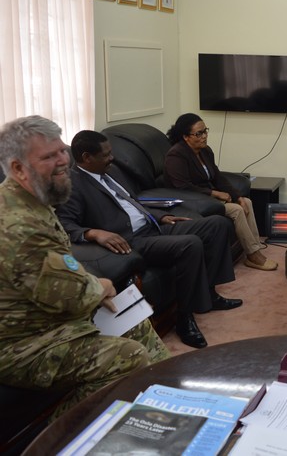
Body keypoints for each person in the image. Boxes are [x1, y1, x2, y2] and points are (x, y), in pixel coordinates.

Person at [0, 116, 169, 417]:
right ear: (18, 168)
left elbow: (61, 268)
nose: (63, 161)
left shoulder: (33, 200)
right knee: (127, 356)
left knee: (131, 317)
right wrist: (101, 286)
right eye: (49, 156)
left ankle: (167, 397)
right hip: (24, 345)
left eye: (61, 150)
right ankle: (58, 435)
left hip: (49, 320)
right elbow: (72, 297)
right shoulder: (20, 225)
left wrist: (93, 289)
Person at [56, 131, 243, 349]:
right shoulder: (72, 184)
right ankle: (184, 319)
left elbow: (133, 202)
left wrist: (160, 216)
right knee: (190, 244)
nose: (111, 158)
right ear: (87, 157)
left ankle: (210, 294)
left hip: (152, 226)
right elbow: (65, 224)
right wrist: (93, 233)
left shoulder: (111, 172)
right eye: (105, 155)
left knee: (217, 224)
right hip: (131, 239)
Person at [163, 113, 278, 272]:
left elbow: (218, 177)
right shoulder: (176, 155)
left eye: (205, 131)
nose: (204, 136)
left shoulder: (205, 151)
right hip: (191, 202)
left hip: (207, 198)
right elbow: (183, 187)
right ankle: (253, 255)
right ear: (185, 137)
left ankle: (255, 247)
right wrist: (214, 193)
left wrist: (237, 196)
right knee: (236, 210)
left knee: (246, 202)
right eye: (199, 133)